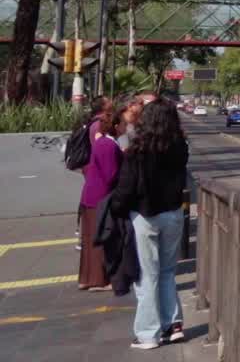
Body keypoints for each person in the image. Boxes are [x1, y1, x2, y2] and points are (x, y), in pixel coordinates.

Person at [111, 100, 189, 350]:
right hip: (174, 214)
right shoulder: (179, 147)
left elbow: (126, 187)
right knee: (167, 272)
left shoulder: (138, 149)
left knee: (147, 276)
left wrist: (117, 209)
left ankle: (148, 334)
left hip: (145, 216)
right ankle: (173, 324)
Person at [78, 111, 122, 291]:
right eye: (123, 125)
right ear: (116, 127)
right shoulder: (109, 145)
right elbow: (111, 173)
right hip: (101, 197)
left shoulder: (101, 143)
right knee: (101, 237)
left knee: (89, 238)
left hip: (91, 196)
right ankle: (99, 279)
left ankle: (86, 279)